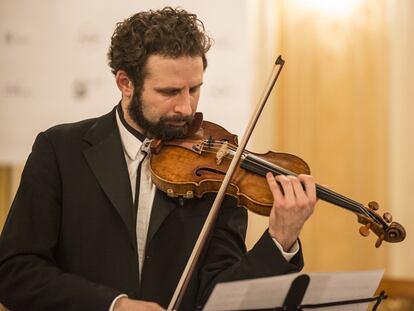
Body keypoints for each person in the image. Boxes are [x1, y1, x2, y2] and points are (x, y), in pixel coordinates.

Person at [0, 7, 316, 311]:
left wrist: (279, 240)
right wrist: (112, 305)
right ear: (125, 83)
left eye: (194, 89)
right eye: (169, 92)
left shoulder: (219, 172)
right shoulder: (59, 150)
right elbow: (15, 273)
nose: (186, 108)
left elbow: (222, 299)